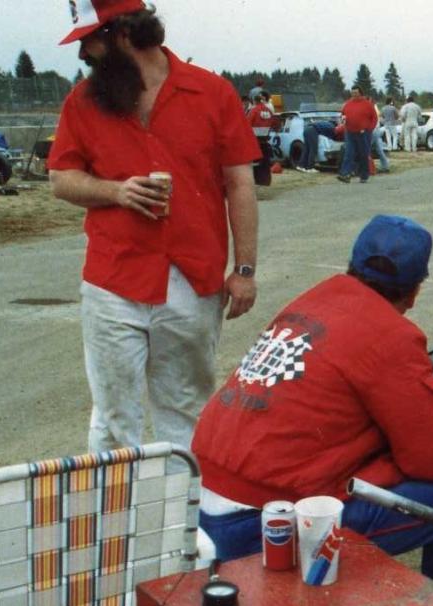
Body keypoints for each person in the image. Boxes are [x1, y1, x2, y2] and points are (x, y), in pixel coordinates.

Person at [191, 215, 433, 605]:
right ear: (415, 291)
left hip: (202, 504)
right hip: (261, 527)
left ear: (352, 265)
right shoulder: (391, 334)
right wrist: (385, 465)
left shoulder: (315, 298)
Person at [49, 0, 260, 454]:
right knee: (113, 418)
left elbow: (240, 183)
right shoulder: (84, 101)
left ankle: (183, 501)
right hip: (113, 280)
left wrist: (244, 270)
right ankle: (115, 502)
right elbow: (60, 178)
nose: (83, 54)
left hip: (194, 280)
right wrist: (115, 192)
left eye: (90, 41)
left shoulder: (212, 92)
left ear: (123, 34)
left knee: (186, 410)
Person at [337, 86, 376, 183]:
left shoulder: (367, 104)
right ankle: (345, 174)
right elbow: (343, 115)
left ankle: (364, 175)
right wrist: (343, 120)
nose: (354, 94)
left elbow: (374, 118)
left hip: (363, 133)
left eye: (355, 93)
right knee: (348, 153)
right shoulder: (347, 104)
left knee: (363, 154)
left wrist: (369, 129)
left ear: (360, 93)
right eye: (352, 93)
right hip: (350, 132)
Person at [246, 88, 277, 185]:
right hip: (265, 141)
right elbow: (274, 124)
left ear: (255, 101)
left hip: (255, 141)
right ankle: (265, 181)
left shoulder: (254, 110)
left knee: (255, 164)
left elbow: (247, 124)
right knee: (265, 163)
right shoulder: (269, 110)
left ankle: (257, 181)